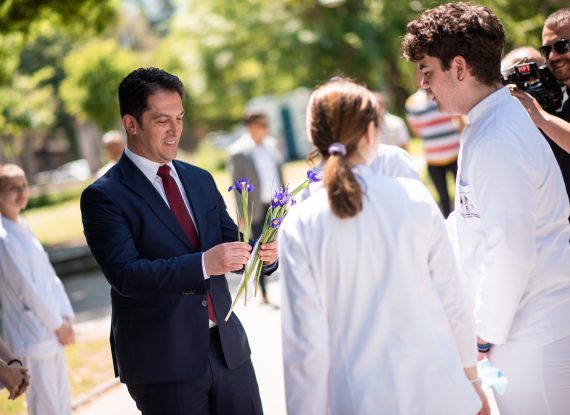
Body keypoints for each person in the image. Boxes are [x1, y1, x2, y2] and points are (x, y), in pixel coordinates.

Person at [279, 78, 489, 415]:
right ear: (370, 133)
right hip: (439, 392)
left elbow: (304, 344)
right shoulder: (414, 197)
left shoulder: (299, 224)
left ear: (316, 139)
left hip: (358, 400)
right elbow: (453, 300)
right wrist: (471, 379)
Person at [403, 3, 570, 414]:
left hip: (532, 338)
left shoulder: (496, 137)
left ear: (459, 67)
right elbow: (469, 222)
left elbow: (511, 251)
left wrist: (480, 336)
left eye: (427, 70)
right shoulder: (489, 122)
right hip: (521, 333)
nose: (423, 84)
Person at [80, 67, 278, 415]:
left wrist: (264, 256)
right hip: (163, 363)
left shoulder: (200, 179)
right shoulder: (103, 196)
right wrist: (204, 264)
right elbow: (126, 275)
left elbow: (233, 243)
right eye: (162, 120)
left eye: (180, 118)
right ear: (131, 124)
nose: (175, 129)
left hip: (228, 351)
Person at [0, 164, 75, 415]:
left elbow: (50, 276)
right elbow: (25, 290)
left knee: (63, 407)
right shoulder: (2, 237)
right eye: (12, 188)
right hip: (31, 338)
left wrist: (66, 317)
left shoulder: (23, 226)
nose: (21, 192)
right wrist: (58, 325)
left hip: (53, 333)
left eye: (24, 185)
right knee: (46, 409)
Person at [227, 111, 284, 304]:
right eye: (262, 125)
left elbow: (279, 174)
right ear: (251, 126)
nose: (266, 129)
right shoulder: (238, 152)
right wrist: (242, 214)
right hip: (256, 210)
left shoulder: (271, 146)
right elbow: (236, 186)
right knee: (261, 251)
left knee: (280, 247)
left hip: (276, 207)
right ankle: (264, 292)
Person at [509, 8, 570, 187]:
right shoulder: (555, 96)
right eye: (546, 50)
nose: (552, 56)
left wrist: (542, 117)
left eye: (562, 46)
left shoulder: (543, 114)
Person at [405, 68, 463, 217]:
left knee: (463, 194)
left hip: (455, 154)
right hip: (433, 159)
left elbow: (458, 119)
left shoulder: (445, 93)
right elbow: (416, 130)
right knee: (443, 198)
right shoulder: (412, 103)